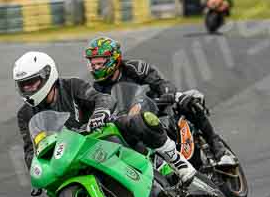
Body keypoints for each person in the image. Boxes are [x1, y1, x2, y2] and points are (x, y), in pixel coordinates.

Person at [13, 51, 198, 190]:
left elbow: (102, 98)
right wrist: (37, 171)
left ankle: (177, 161)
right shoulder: (24, 114)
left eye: (32, 83)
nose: (28, 89)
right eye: (23, 85)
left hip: (99, 134)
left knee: (137, 120)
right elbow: (31, 150)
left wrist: (100, 114)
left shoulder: (71, 86)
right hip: (69, 156)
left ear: (47, 75)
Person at [84, 37, 237, 166]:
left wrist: (168, 94)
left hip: (157, 106)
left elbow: (159, 83)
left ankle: (218, 149)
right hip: (131, 122)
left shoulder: (135, 68)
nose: (95, 67)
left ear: (114, 60)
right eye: (93, 63)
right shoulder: (97, 89)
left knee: (189, 103)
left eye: (100, 63)